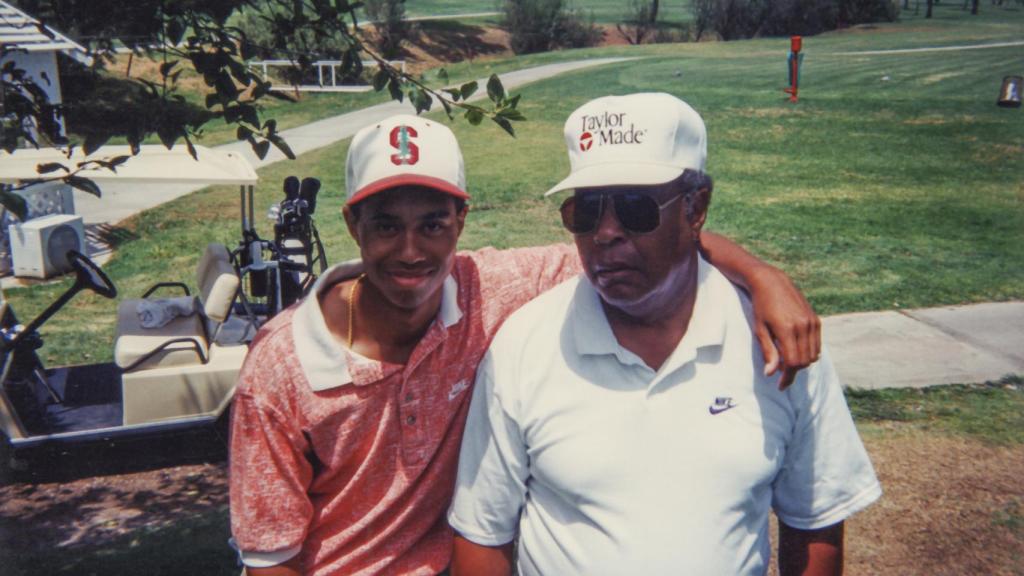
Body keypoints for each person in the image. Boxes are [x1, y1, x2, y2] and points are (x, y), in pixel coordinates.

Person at [229, 113, 822, 576]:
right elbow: (270, 558)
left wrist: (763, 276)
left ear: (461, 221)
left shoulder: (493, 289)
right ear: (353, 225)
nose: (410, 251)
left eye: (432, 223)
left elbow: (636, 243)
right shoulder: (282, 365)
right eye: (386, 225)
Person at [448, 93, 882, 576]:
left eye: (636, 208)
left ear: (696, 209)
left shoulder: (778, 344)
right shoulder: (525, 344)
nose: (606, 233)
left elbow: (814, 522)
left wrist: (764, 276)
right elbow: (484, 534)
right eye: (586, 211)